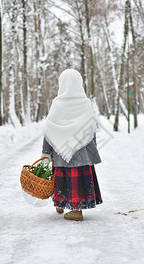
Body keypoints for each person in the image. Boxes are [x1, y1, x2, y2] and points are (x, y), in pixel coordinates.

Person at [41, 69, 102, 221]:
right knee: (77, 180)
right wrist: (93, 150)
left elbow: (49, 130)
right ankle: (76, 208)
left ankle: (62, 202)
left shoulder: (57, 104)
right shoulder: (85, 103)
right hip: (82, 154)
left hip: (61, 153)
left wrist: (46, 153)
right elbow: (91, 129)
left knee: (62, 176)